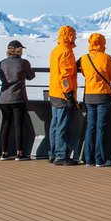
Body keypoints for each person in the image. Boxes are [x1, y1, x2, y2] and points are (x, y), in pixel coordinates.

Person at [79, 33, 111, 167]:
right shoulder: (107, 58)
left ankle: (88, 159)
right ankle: (100, 159)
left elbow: (85, 73)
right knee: (101, 128)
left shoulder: (84, 58)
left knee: (90, 127)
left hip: (89, 96)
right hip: (103, 96)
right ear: (102, 43)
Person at [0, 40, 36, 161]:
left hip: (4, 98)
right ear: (19, 50)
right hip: (19, 97)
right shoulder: (23, 62)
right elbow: (31, 76)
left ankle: (4, 152)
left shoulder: (2, 63)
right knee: (18, 124)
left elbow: (1, 78)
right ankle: (19, 152)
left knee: (6, 124)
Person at [48, 25, 79, 166]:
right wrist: (69, 94)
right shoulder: (66, 52)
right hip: (62, 94)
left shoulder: (55, 50)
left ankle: (53, 153)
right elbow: (65, 76)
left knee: (54, 125)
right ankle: (61, 155)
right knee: (62, 125)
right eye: (73, 35)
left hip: (54, 92)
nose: (75, 37)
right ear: (68, 35)